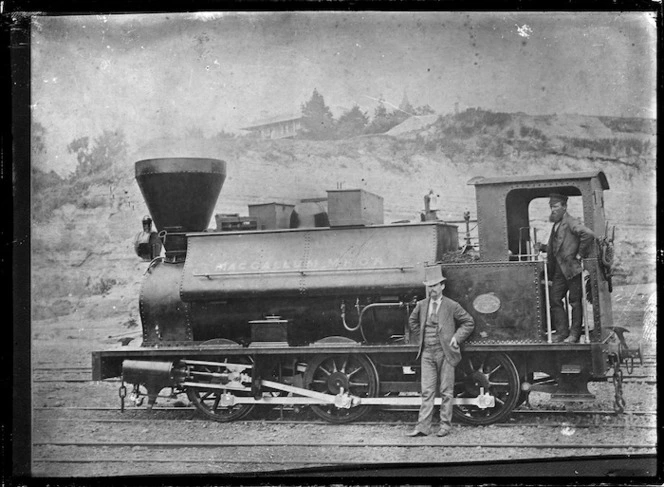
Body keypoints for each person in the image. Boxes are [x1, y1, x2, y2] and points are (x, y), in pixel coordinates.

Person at [406, 265, 475, 437]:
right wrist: (420, 336)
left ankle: (445, 426)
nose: (432, 290)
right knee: (427, 391)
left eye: (435, 286)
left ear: (442, 286)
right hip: (427, 353)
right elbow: (412, 321)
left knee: (446, 391)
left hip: (445, 353)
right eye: (430, 286)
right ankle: (423, 427)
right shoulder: (422, 305)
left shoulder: (451, 305)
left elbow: (468, 322)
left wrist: (456, 338)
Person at [539, 193, 595, 343]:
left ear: (564, 207)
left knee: (575, 302)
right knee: (555, 299)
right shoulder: (556, 224)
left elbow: (588, 234)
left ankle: (574, 334)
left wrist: (579, 254)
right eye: (551, 207)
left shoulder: (570, 221)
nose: (553, 209)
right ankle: (562, 332)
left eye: (556, 206)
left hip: (571, 269)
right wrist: (544, 247)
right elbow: (558, 246)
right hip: (559, 271)